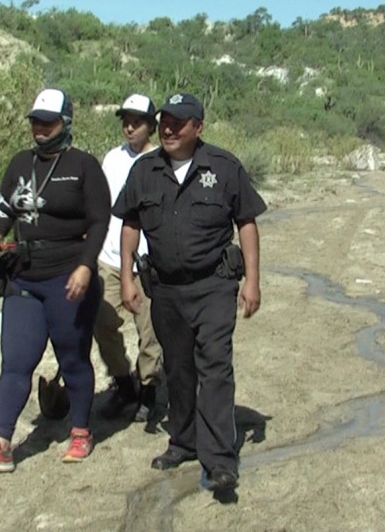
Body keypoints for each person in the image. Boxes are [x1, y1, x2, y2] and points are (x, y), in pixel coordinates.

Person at [112, 92, 266, 492]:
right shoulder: (145, 170)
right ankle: (183, 441)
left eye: (179, 123)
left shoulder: (224, 166)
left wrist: (252, 279)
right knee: (178, 369)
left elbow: (246, 222)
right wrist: (128, 277)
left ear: (198, 127)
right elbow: (130, 223)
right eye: (164, 121)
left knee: (215, 366)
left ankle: (219, 460)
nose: (168, 129)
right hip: (164, 289)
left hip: (214, 285)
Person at [0, 88, 111, 473]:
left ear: (66, 122)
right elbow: (3, 205)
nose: (40, 128)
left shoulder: (83, 165)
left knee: (73, 358)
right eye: (35, 121)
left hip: (68, 277)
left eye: (48, 121)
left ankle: (80, 430)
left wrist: (86, 266)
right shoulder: (19, 163)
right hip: (24, 277)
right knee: (16, 361)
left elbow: (99, 221)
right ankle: (2, 444)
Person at [93, 94, 163, 422]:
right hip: (108, 257)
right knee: (102, 322)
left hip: (148, 261)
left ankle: (149, 388)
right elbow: (100, 203)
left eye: (137, 121)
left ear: (151, 125)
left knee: (150, 332)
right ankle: (123, 384)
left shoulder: (163, 160)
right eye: (126, 120)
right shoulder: (112, 158)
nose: (130, 127)